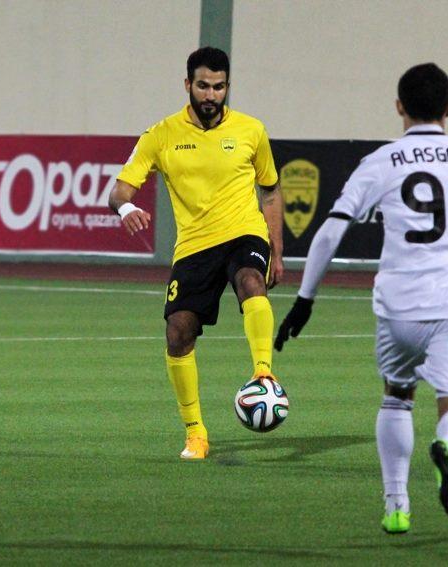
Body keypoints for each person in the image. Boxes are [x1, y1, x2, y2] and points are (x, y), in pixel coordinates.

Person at [274, 63, 448, 533]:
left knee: (396, 398)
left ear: (399, 107)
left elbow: (330, 232)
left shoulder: (383, 161)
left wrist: (305, 299)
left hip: (400, 305)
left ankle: (396, 506)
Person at [109, 46, 283, 461]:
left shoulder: (251, 130)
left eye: (219, 87)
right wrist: (127, 209)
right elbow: (118, 191)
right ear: (188, 84)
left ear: (227, 87)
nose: (211, 95)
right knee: (178, 332)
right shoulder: (161, 135)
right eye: (203, 86)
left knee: (250, 281)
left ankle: (264, 373)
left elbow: (270, 190)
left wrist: (276, 251)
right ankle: (196, 433)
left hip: (244, 232)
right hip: (194, 245)